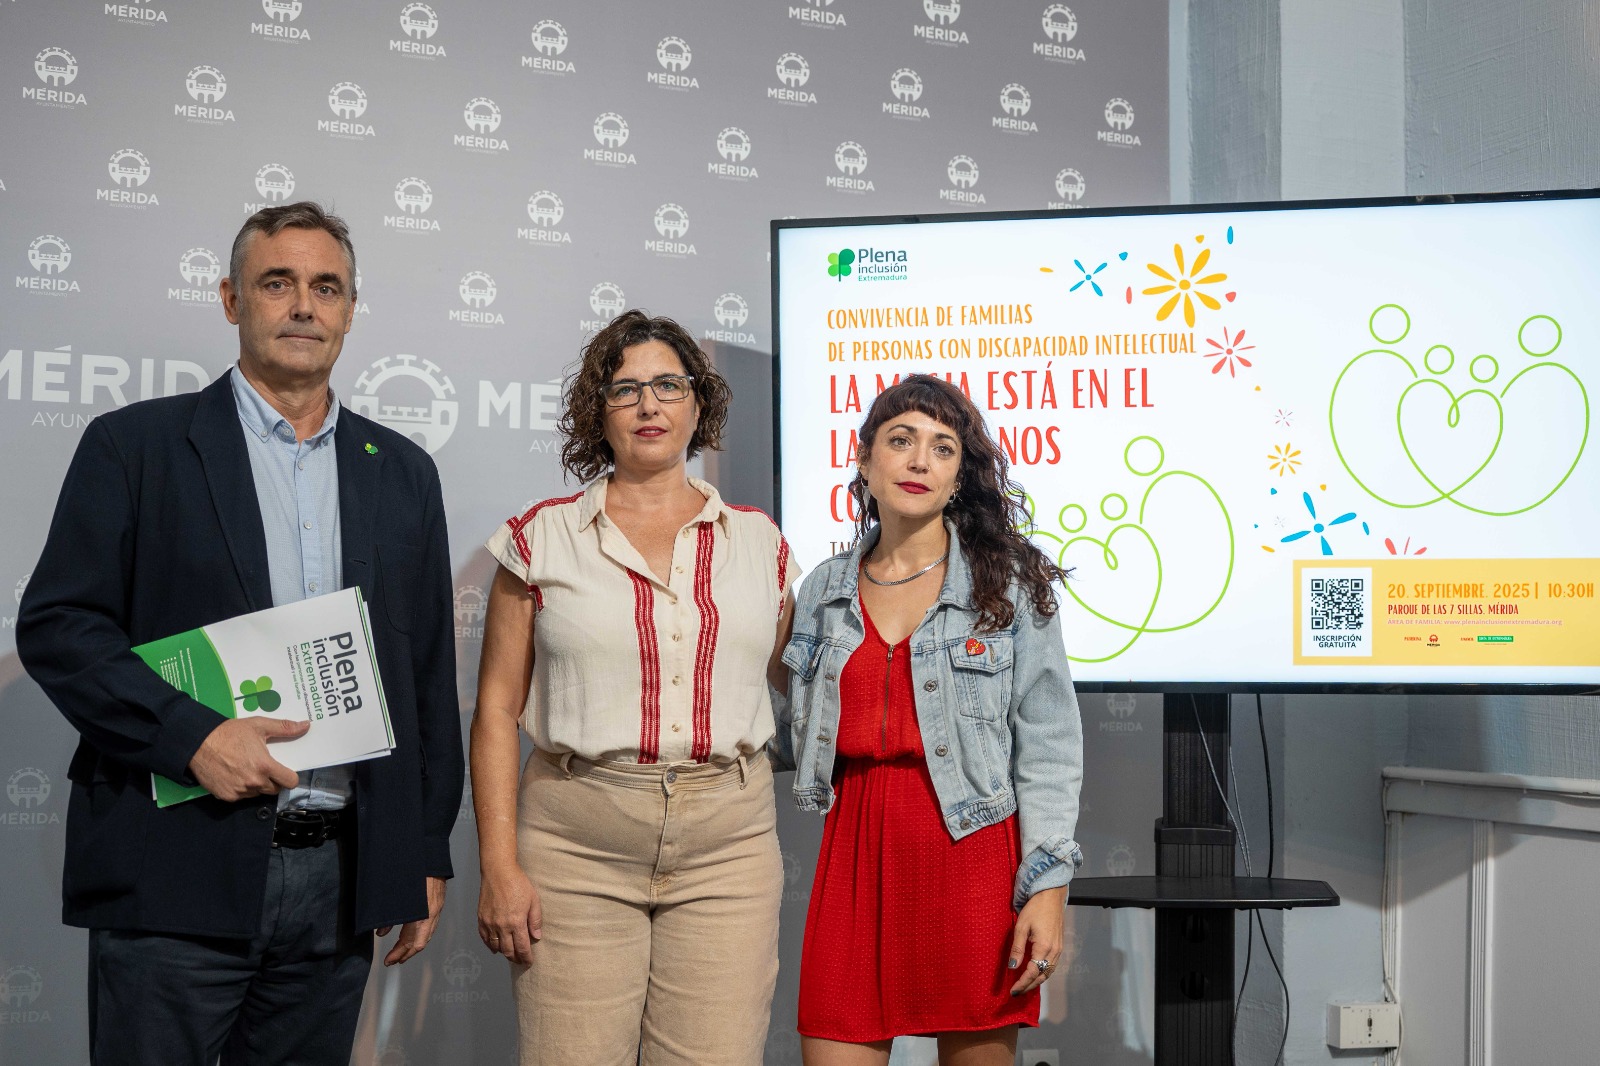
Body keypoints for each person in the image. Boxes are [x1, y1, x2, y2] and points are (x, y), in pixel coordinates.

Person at [17, 202, 463, 1066]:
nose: (303, 306)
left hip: (341, 881)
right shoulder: (134, 446)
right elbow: (60, 627)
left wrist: (422, 850)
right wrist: (192, 738)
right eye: (277, 283)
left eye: (326, 287)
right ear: (230, 299)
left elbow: (423, 674)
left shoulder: (403, 471)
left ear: (350, 309)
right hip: (175, 866)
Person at [471, 310, 796, 1066]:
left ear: (698, 403)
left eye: (668, 385)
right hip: (574, 845)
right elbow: (495, 712)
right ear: (600, 412)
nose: (649, 404)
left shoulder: (763, 542)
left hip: (730, 850)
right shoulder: (538, 538)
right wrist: (500, 867)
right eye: (625, 390)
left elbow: (807, 683)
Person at [780, 374, 1084, 1066]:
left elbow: (1050, 745)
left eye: (943, 448)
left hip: (971, 857)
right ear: (864, 461)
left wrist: (1047, 888)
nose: (920, 461)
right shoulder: (821, 589)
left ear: (958, 478)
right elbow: (783, 720)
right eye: (901, 441)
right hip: (853, 858)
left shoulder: (1008, 584)